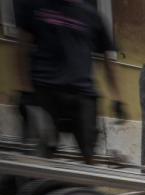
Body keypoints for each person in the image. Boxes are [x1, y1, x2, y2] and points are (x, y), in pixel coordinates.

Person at [14, 0, 124, 163]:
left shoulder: (92, 15)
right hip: (45, 91)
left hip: (82, 95)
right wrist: (25, 90)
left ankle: (85, 187)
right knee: (40, 156)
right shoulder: (36, 6)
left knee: (89, 156)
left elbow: (109, 59)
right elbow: (22, 48)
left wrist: (118, 98)